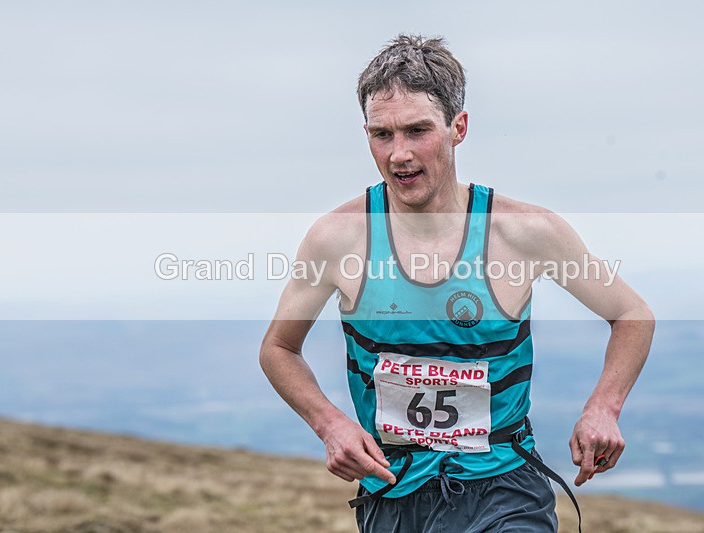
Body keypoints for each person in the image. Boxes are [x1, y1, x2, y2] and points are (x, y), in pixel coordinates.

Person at [260, 34, 655, 532]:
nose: (399, 153)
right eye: (382, 135)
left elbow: (632, 314)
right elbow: (278, 347)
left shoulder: (524, 232)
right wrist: (329, 424)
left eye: (417, 130)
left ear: (458, 127)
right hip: (393, 492)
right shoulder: (338, 239)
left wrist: (604, 407)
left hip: (505, 488)